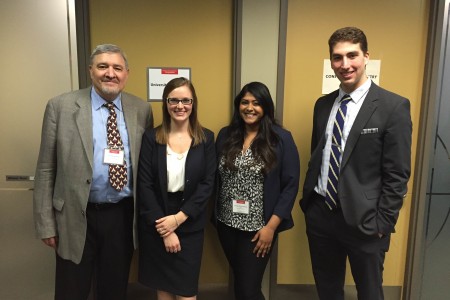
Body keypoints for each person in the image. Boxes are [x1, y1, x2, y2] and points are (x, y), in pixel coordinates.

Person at [33, 44, 153, 300]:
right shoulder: (61, 107)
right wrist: (46, 224)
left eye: (117, 68)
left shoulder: (141, 110)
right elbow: (45, 169)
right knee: (71, 290)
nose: (110, 73)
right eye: (103, 66)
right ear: (90, 71)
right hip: (76, 215)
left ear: (126, 74)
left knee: (113, 289)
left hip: (121, 216)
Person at [300, 27, 412, 300]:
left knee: (370, 292)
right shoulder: (323, 105)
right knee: (327, 289)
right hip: (321, 215)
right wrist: (310, 205)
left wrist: (383, 222)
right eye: (338, 58)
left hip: (366, 222)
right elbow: (319, 154)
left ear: (366, 57)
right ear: (331, 61)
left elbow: (398, 174)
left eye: (352, 55)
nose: (345, 64)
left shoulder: (392, 106)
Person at [213, 82, 300, 300]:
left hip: (258, 230)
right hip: (226, 224)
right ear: (238, 105)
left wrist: (271, 227)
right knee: (242, 284)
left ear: (266, 107)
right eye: (245, 102)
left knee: (248, 289)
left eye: (256, 103)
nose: (249, 108)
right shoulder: (226, 135)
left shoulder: (280, 138)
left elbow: (290, 185)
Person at [137, 77, 216, 300]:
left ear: (193, 103)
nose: (180, 106)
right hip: (158, 220)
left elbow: (207, 184)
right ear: (166, 103)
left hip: (190, 220)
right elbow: (145, 185)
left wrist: (179, 219)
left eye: (185, 100)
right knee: (163, 290)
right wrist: (165, 228)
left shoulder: (206, 138)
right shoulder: (151, 137)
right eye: (174, 100)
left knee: (185, 293)